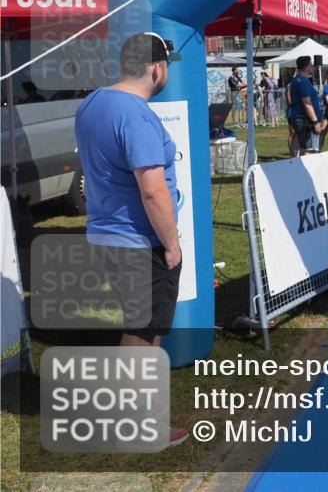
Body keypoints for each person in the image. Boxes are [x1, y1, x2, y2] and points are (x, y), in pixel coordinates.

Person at [74, 32, 189, 448]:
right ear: (157, 69)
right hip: (139, 239)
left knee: (140, 327)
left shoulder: (92, 104)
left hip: (106, 233)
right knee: (142, 333)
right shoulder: (136, 114)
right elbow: (152, 190)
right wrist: (172, 244)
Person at [287, 56, 322, 156]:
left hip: (300, 118)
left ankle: (296, 163)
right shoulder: (303, 81)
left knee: (301, 146)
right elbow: (307, 103)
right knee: (310, 150)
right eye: (311, 65)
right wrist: (315, 122)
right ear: (306, 67)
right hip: (306, 120)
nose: (313, 67)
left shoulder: (296, 80)